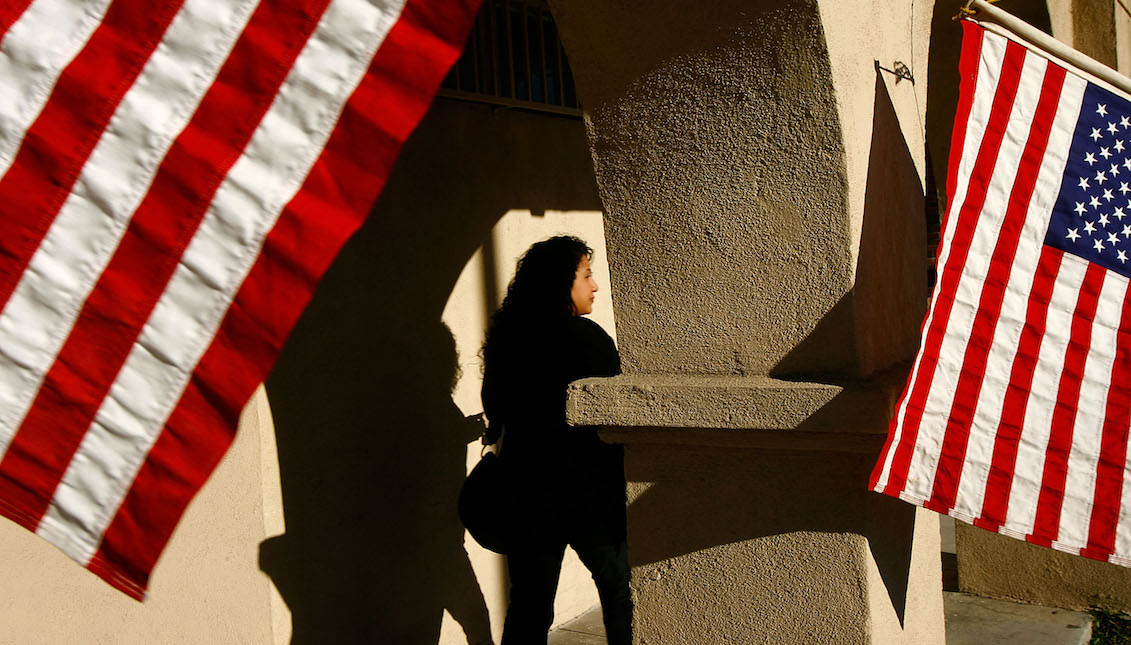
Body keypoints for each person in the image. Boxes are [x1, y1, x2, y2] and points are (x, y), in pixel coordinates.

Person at [480, 235, 631, 645]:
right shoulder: (585, 337)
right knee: (621, 595)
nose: (594, 286)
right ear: (560, 282)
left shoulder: (509, 339)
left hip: (528, 492)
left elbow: (496, 405)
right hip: (589, 494)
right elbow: (615, 411)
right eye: (585, 275)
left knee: (530, 605)